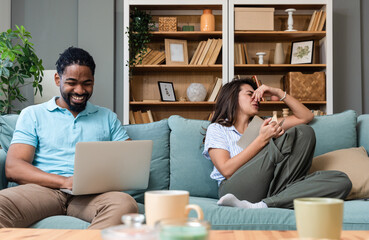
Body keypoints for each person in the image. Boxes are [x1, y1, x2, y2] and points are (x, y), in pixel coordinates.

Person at [0, 47, 138, 228]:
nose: (80, 90)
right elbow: (14, 167)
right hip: (43, 191)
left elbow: (131, 162)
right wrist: (65, 181)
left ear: (93, 81)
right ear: (58, 79)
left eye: (87, 83)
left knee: (125, 204)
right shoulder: (33, 115)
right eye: (72, 82)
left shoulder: (107, 117)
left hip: (91, 196)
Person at [203, 78, 352, 209]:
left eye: (257, 94)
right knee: (295, 134)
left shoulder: (263, 124)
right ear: (232, 98)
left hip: (270, 187)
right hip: (234, 189)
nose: (256, 98)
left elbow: (305, 116)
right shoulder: (217, 129)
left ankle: (265, 204)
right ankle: (276, 198)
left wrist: (278, 92)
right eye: (250, 94)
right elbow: (226, 170)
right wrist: (262, 139)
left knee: (340, 181)